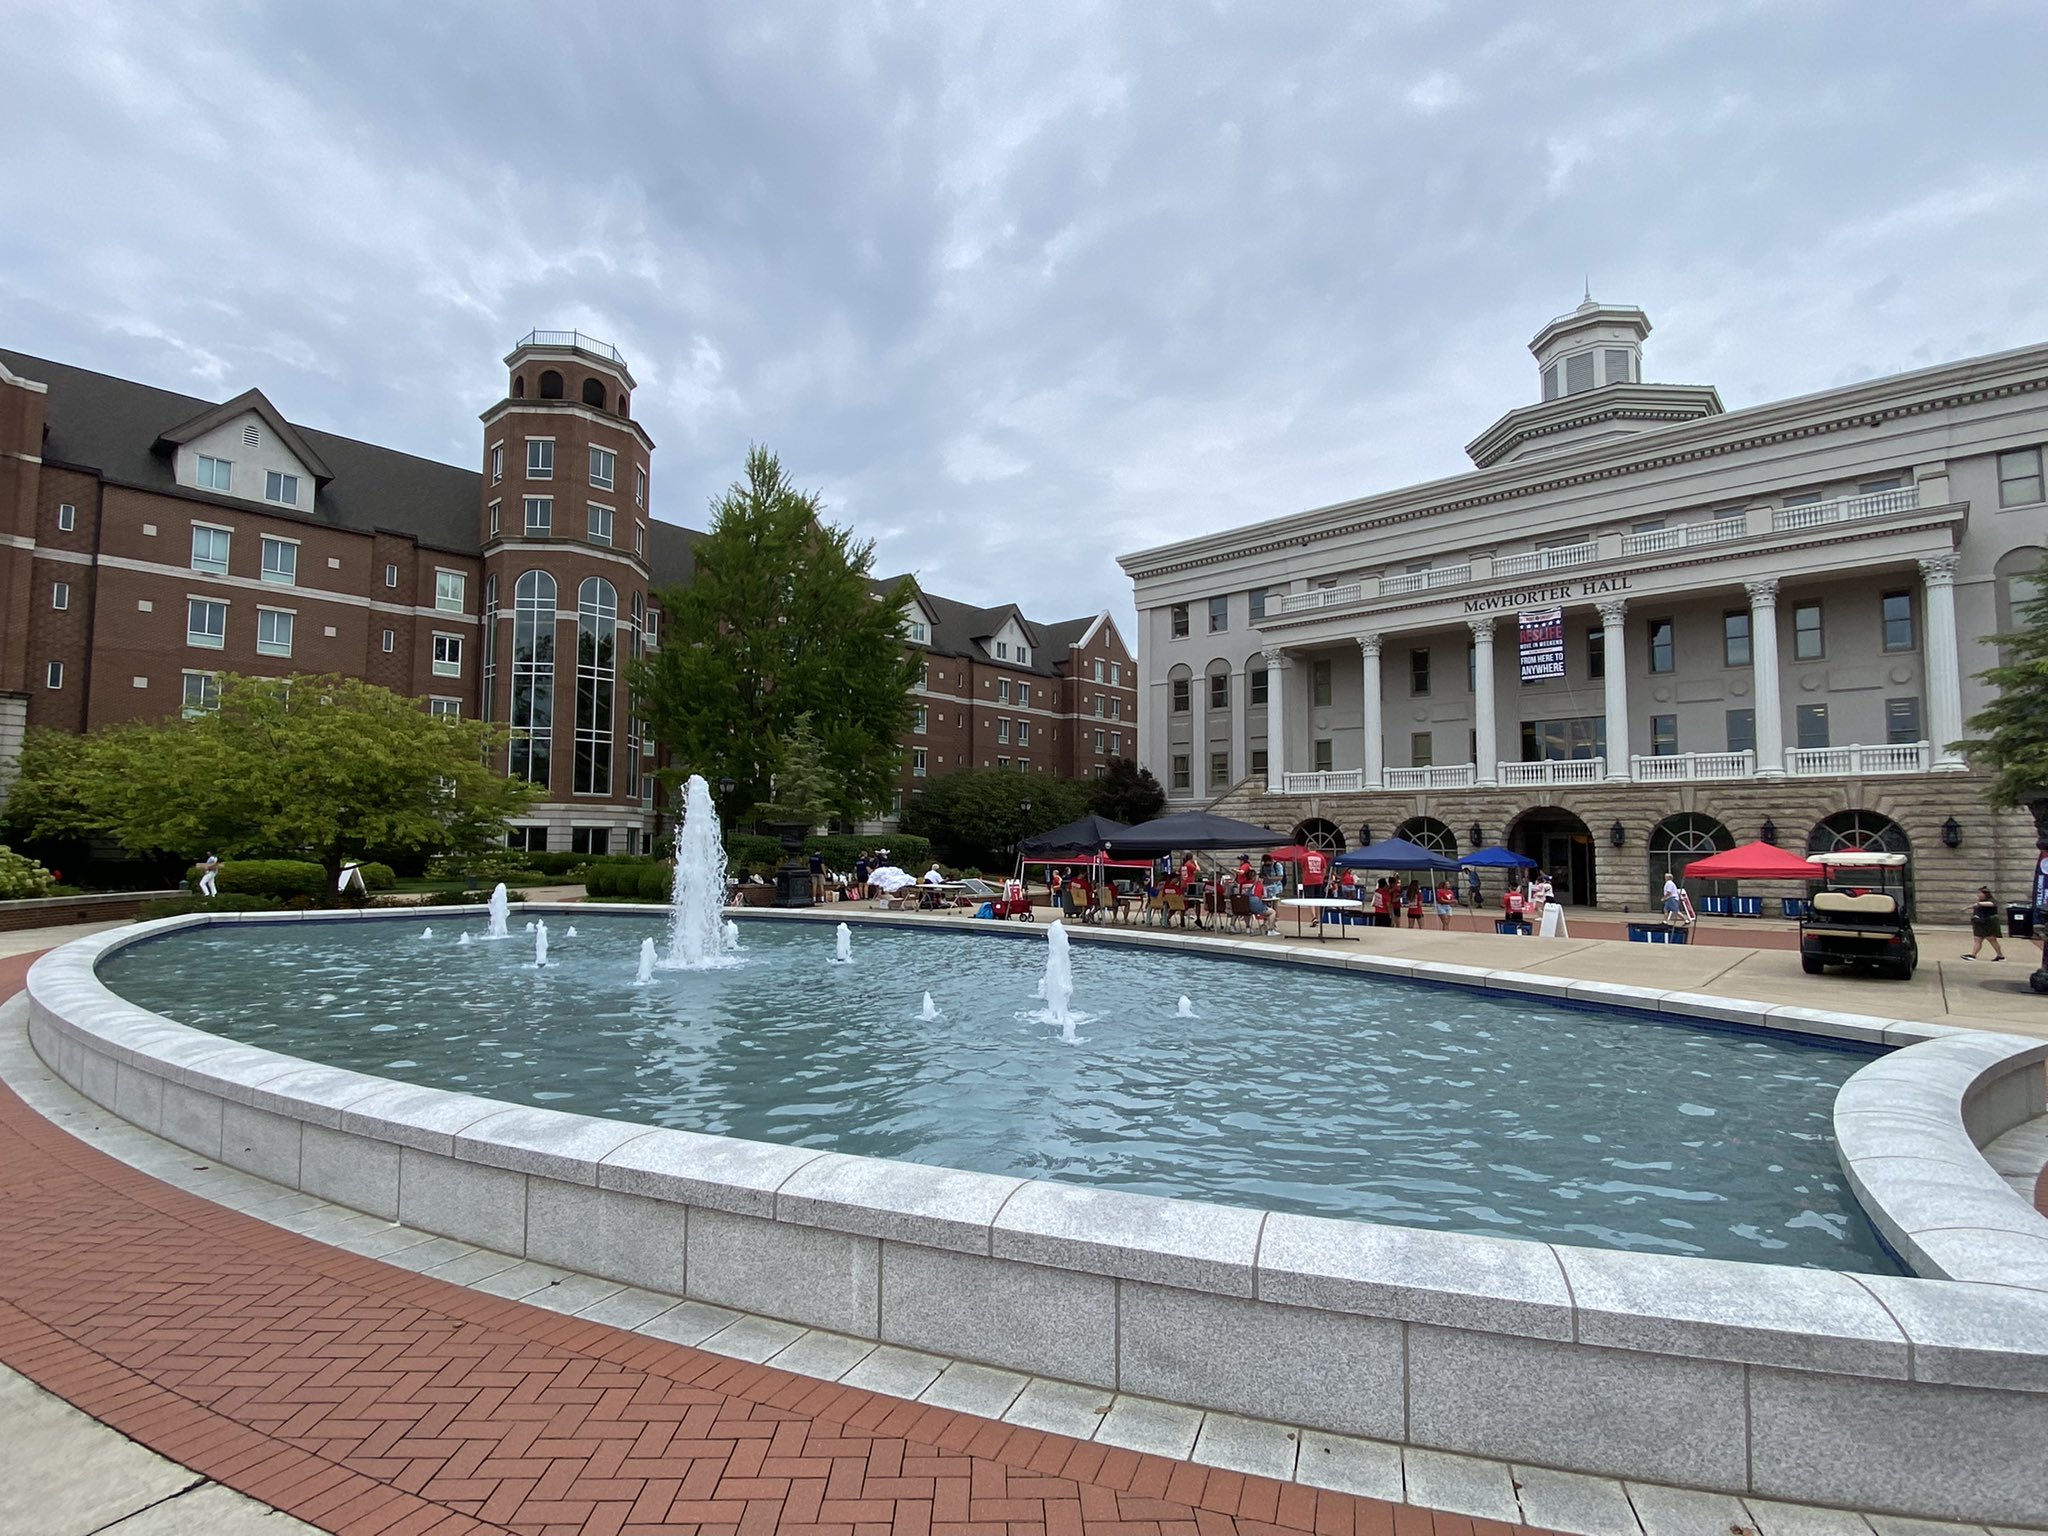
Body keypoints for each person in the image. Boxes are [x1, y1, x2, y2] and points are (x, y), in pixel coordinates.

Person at [1966, 886, 2006, 960]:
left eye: (1980, 893)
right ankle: (1973, 955)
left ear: (1985, 894)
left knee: (1991, 939)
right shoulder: (1980, 901)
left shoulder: (1991, 901)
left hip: (1988, 923)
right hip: (1980, 923)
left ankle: (2000, 956)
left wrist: (1979, 904)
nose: (1978, 895)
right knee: (1978, 939)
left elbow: (1992, 904)